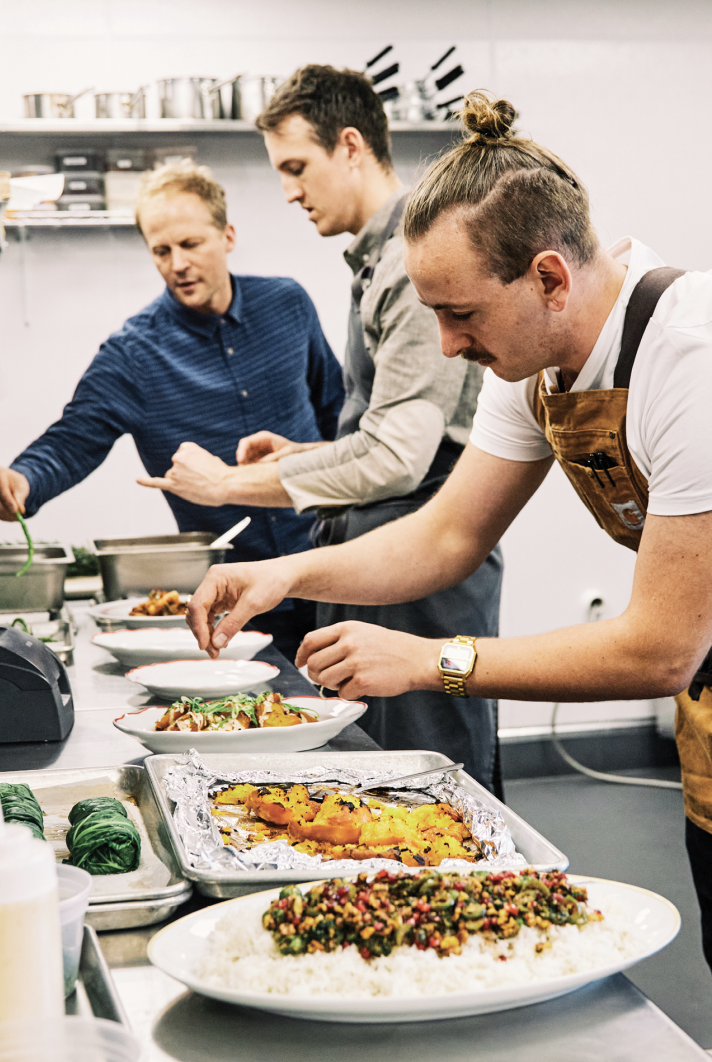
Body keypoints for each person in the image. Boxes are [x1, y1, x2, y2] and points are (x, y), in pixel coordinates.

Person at [185, 90, 712, 970]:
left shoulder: (689, 356)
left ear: (549, 277)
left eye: (460, 314)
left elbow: (662, 649)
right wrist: (289, 575)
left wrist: (432, 661)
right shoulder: (538, 365)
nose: (446, 344)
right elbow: (444, 538)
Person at [139, 67, 503, 794]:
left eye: (297, 167)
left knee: (433, 786)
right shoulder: (373, 259)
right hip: (377, 559)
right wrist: (305, 454)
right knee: (378, 787)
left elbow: (400, 458)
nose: (290, 191)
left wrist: (228, 484)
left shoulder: (408, 258)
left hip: (418, 570)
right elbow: (391, 425)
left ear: (350, 146)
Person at [0, 161, 344, 659]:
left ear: (227, 235)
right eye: (161, 251)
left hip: (330, 572)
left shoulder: (288, 304)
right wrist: (23, 480)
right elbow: (73, 439)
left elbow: (337, 415)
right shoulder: (133, 352)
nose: (178, 264)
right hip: (230, 597)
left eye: (191, 245)